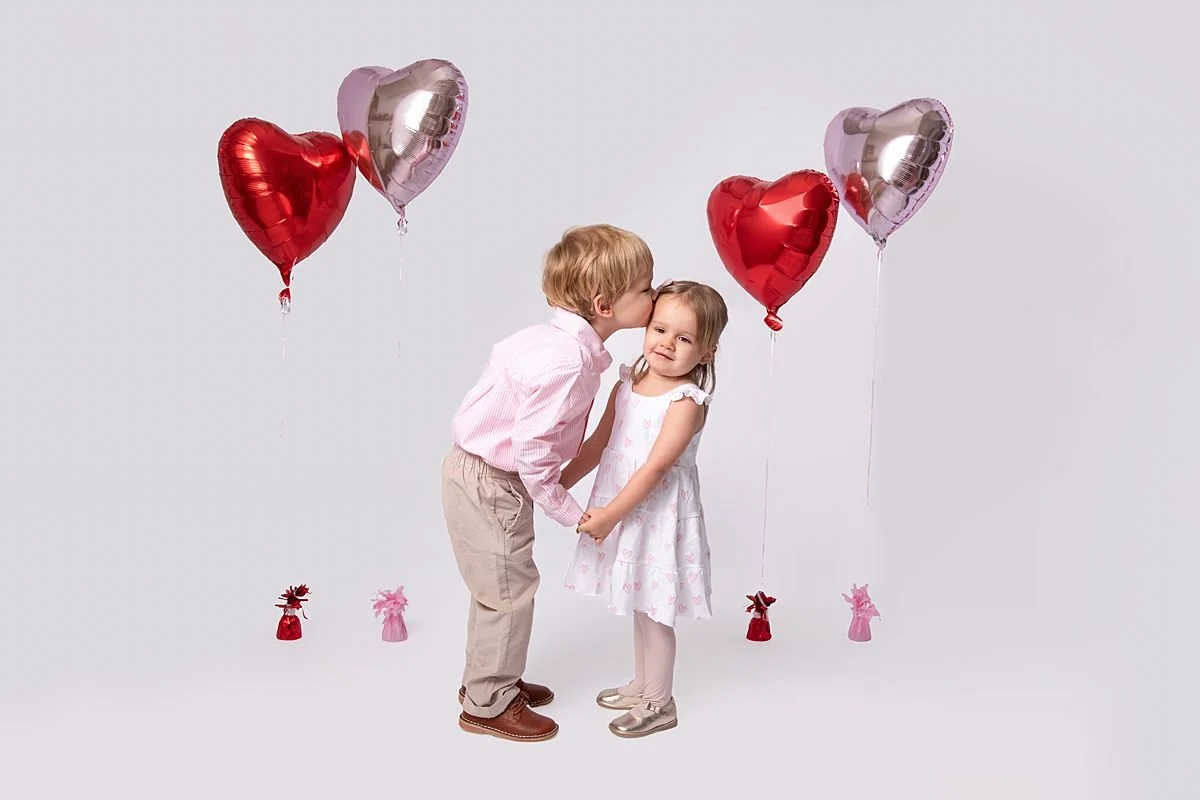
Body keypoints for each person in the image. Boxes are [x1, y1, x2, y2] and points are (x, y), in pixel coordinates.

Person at [442, 224, 656, 742]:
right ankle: (488, 702)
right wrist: (572, 513)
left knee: (496, 586)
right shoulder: (567, 363)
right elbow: (532, 452)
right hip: (493, 480)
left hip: (478, 472)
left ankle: (490, 678)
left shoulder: (546, 341)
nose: (654, 296)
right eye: (645, 289)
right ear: (604, 305)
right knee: (509, 592)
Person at [561, 280, 729, 738]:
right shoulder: (626, 385)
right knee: (640, 602)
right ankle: (643, 684)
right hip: (625, 509)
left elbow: (655, 468)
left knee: (655, 610)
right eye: (660, 329)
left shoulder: (686, 403)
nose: (667, 343)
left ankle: (660, 700)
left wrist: (610, 515)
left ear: (707, 352)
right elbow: (598, 445)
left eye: (684, 338)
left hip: (656, 518)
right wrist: (557, 484)